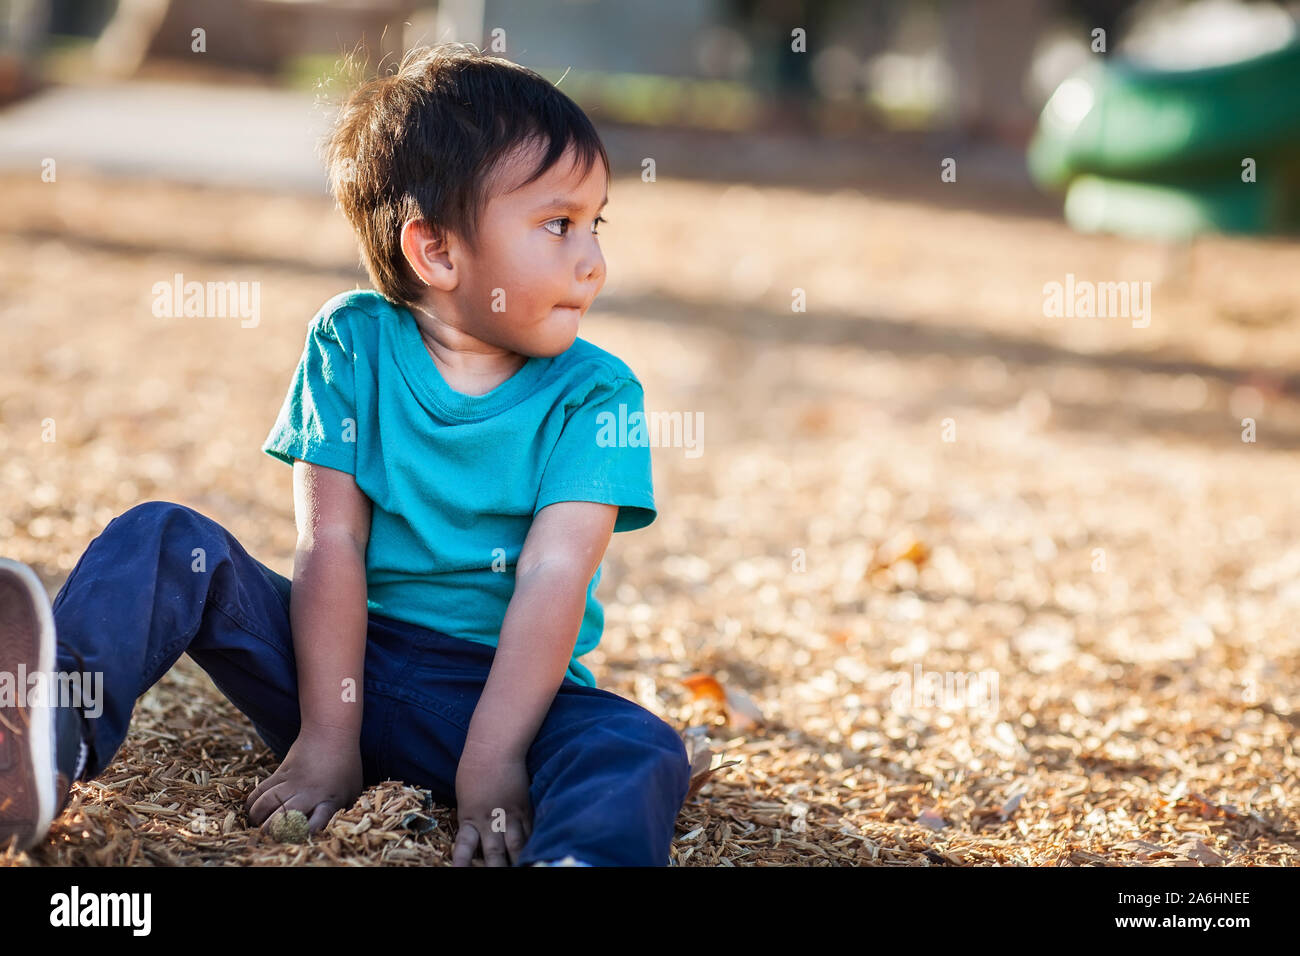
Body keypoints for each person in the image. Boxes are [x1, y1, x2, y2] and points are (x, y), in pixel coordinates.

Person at [0, 42, 692, 866]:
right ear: (435, 251)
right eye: (558, 225)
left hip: (497, 695)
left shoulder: (596, 395)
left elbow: (552, 578)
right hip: (331, 663)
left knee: (636, 746)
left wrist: (494, 759)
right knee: (163, 538)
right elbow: (330, 545)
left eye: (595, 223)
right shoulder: (351, 343)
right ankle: (40, 743)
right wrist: (329, 736)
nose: (593, 261)